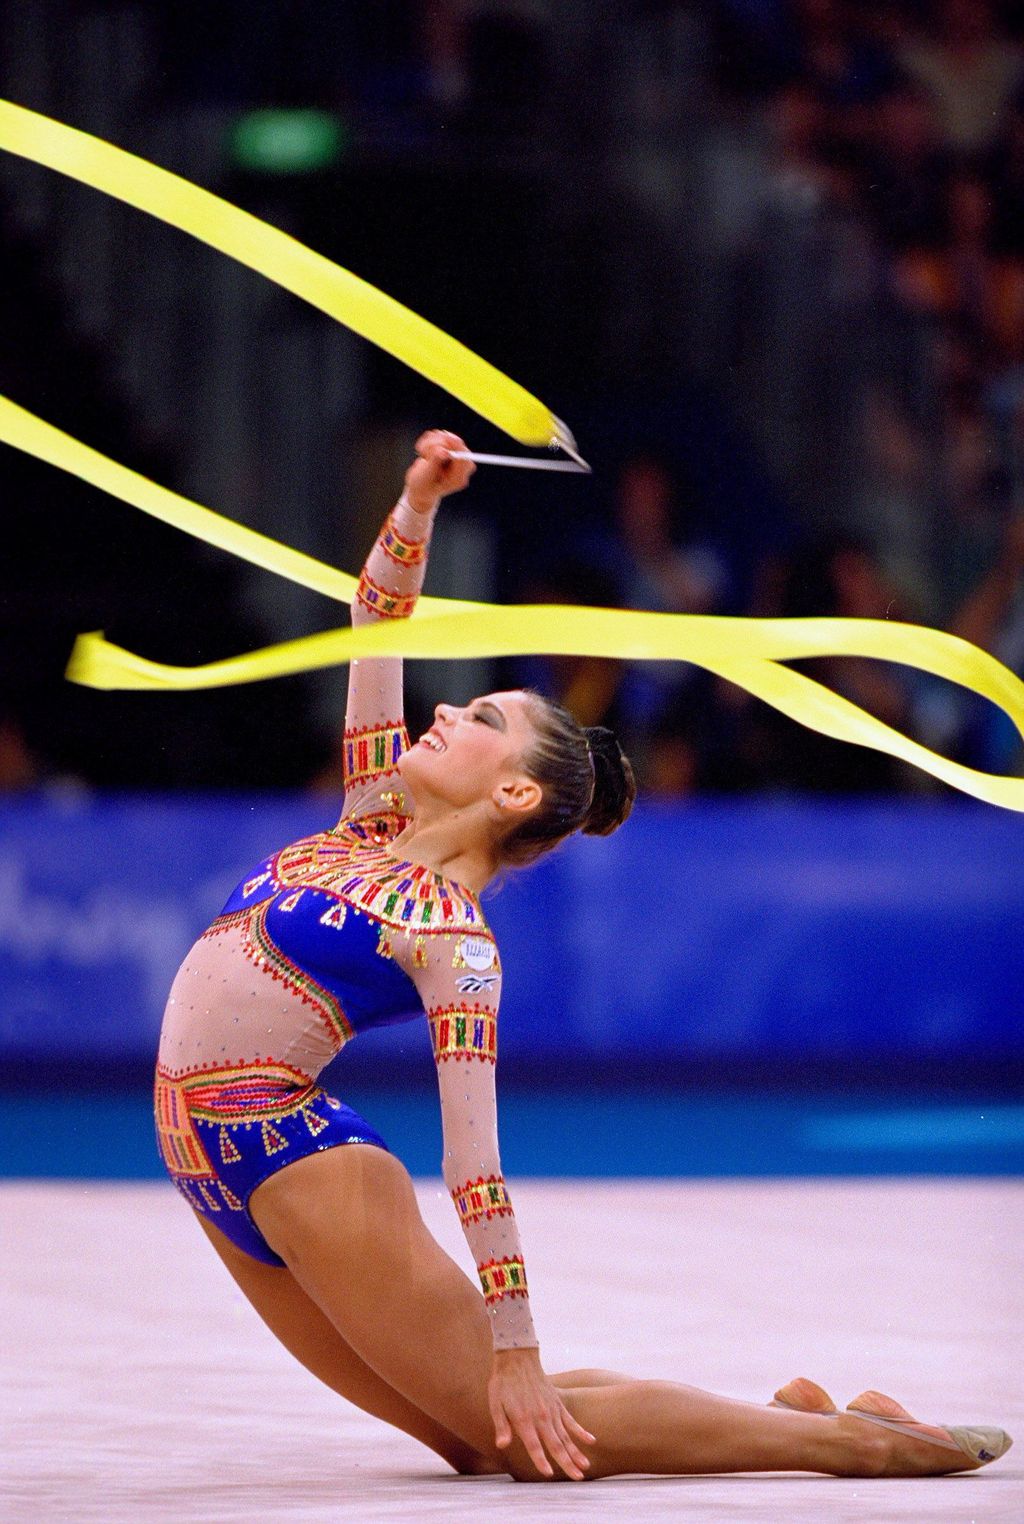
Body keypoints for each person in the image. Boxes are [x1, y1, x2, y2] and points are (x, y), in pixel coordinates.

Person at [154, 430, 1010, 1483]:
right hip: (204, 1160)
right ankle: (804, 1417)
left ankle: (851, 1445)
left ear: (512, 794)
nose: (440, 709)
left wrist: (515, 1344)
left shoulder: (453, 938)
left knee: (514, 1435)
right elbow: (374, 619)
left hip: (297, 1163)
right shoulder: (367, 821)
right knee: (482, 1434)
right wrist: (419, 501)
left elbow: (477, 1171)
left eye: (476, 717)